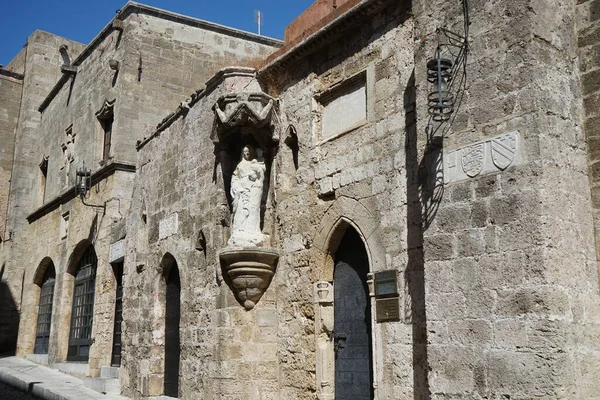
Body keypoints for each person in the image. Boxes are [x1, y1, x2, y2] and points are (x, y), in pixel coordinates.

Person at [229, 145, 266, 246]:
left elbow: (261, 171)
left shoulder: (253, 163)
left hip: (252, 188)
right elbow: (234, 178)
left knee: (253, 209)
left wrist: (255, 177)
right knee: (242, 210)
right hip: (242, 190)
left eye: (249, 151)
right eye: (245, 151)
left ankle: (252, 232)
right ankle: (240, 232)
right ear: (242, 153)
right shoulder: (239, 165)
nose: (247, 153)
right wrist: (237, 188)